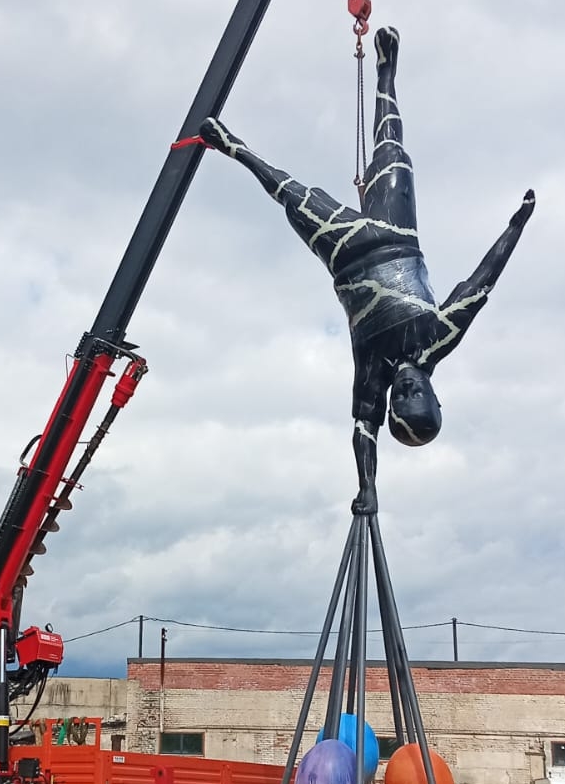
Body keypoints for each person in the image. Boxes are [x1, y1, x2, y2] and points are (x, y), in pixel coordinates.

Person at [200, 25, 535, 513]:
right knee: (392, 148)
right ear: (435, 397)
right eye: (417, 394)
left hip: (347, 256)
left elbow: (363, 430)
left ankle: (234, 147)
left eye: (401, 400)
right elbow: (483, 281)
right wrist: (517, 223)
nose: (406, 389)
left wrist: (368, 489)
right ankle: (386, 72)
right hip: (396, 235)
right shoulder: (437, 338)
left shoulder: (374, 375)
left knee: (291, 195)